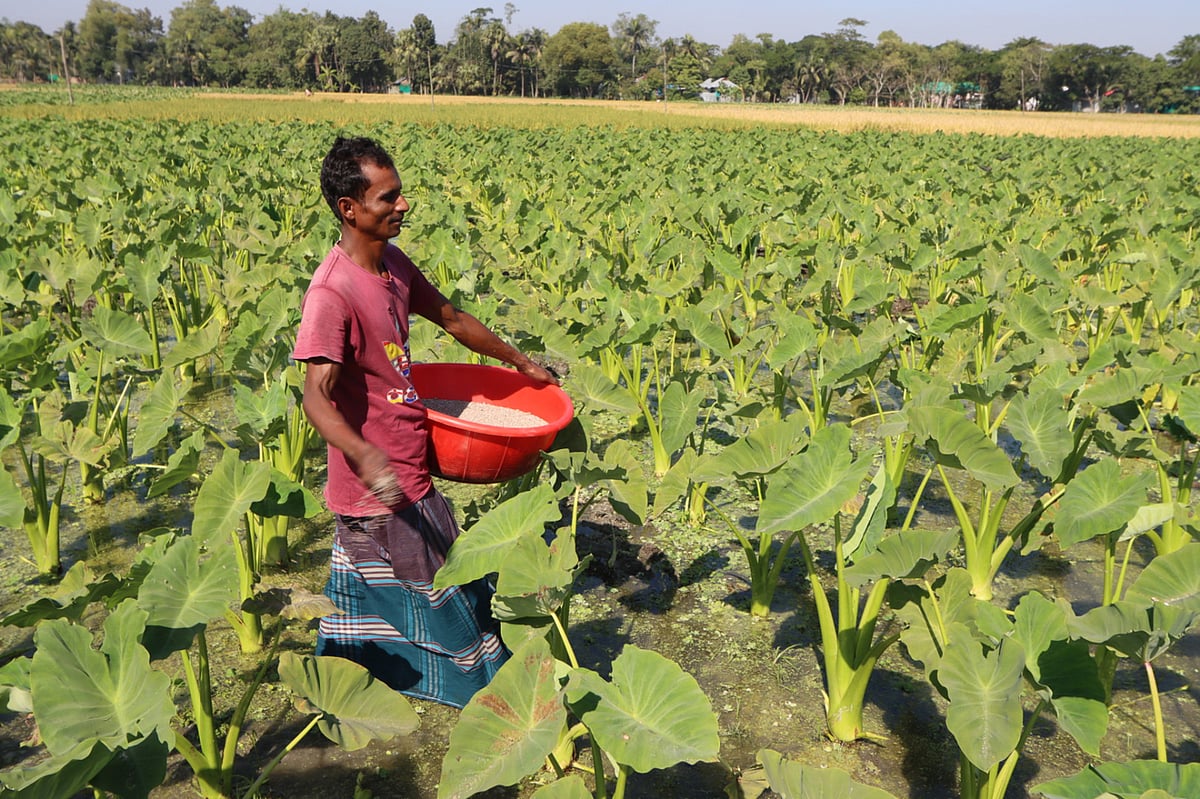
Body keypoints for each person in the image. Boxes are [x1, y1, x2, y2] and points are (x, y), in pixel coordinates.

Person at [293, 135, 557, 708]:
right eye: (388, 198)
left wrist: (521, 364)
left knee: (405, 588)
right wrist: (363, 454)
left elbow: (451, 317)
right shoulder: (332, 293)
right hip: (376, 484)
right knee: (439, 588)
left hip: (407, 461)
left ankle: (364, 680)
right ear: (349, 209)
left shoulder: (390, 263)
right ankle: (479, 693)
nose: (403, 206)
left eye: (401, 194)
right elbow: (315, 396)